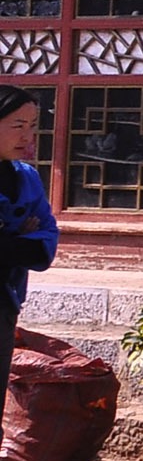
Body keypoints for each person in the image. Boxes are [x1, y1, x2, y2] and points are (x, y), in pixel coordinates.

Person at [0, 88, 57, 406]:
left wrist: (8, 242)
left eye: (32, 125)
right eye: (18, 125)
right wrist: (18, 237)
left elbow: (44, 244)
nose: (28, 135)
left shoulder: (27, 179)